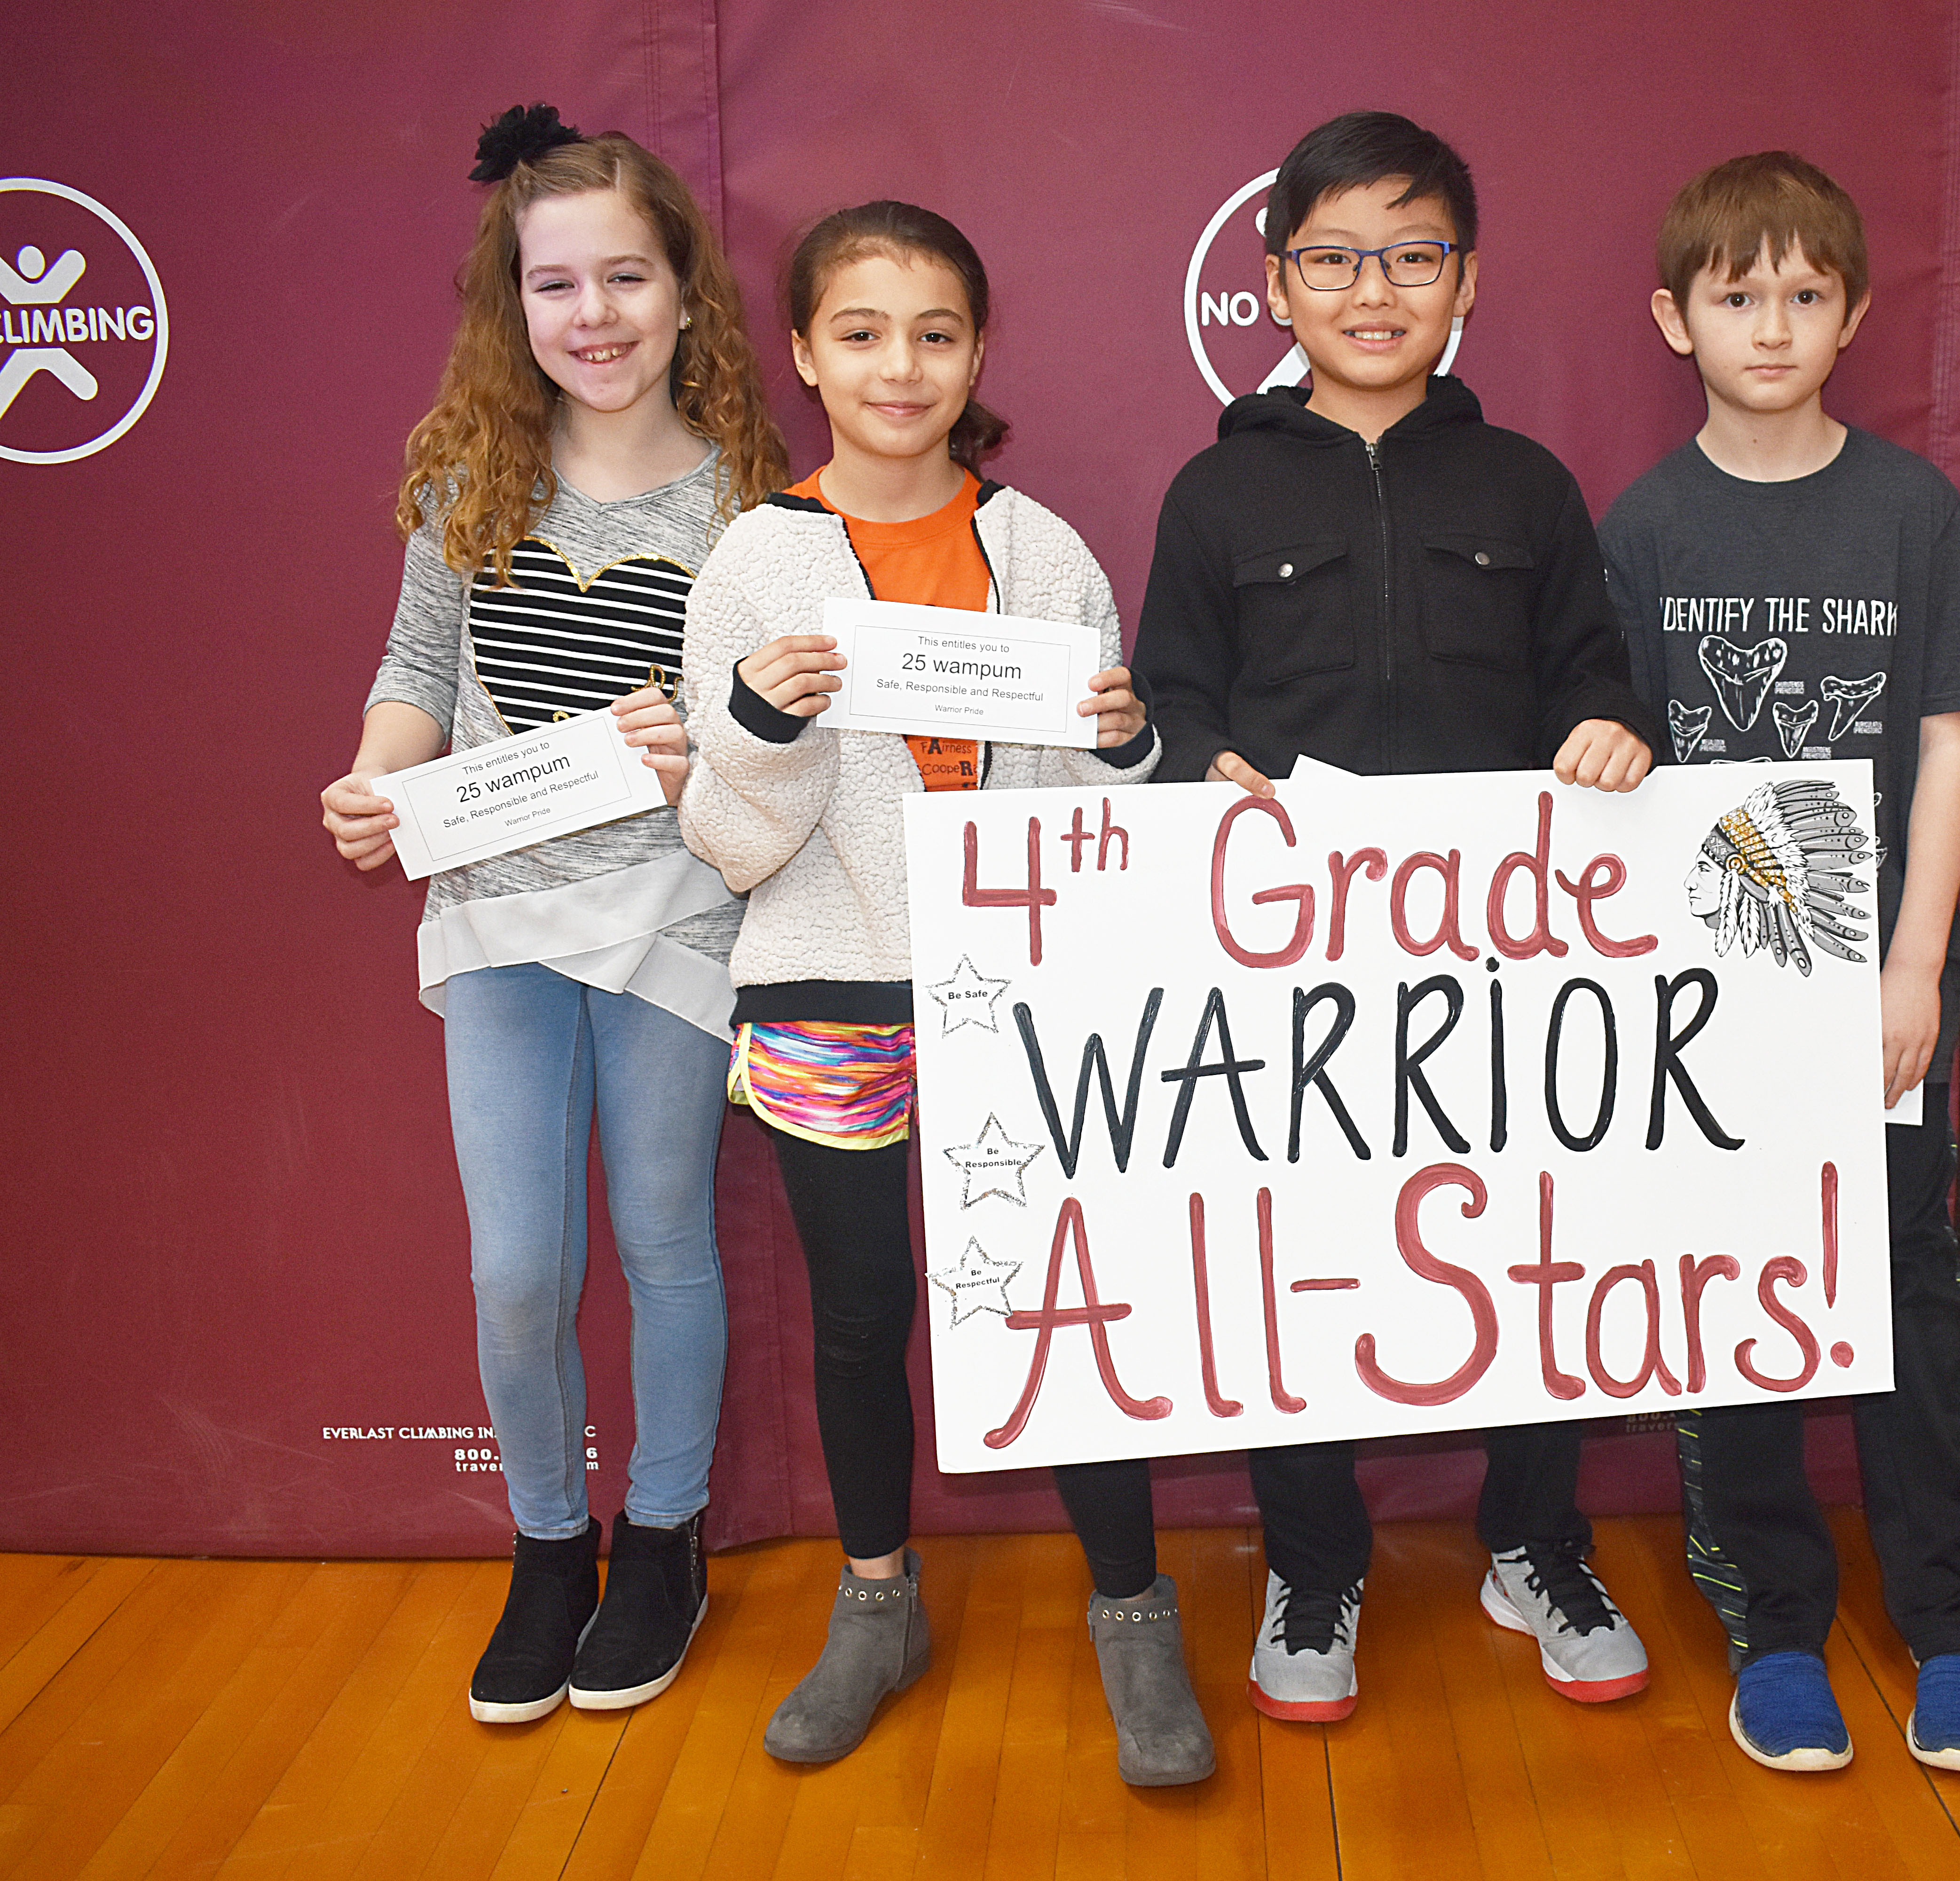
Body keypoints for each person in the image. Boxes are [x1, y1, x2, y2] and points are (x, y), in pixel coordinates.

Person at [1131, 111, 1664, 1724]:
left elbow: (1593, 672)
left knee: (1527, 1243)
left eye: (1414, 256)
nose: (1378, 290)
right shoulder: (1212, 498)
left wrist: (1613, 732)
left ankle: (1535, 1538)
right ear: (1278, 285)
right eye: (1338, 258)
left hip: (1507, 964)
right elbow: (1168, 700)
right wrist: (1191, 765)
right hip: (1288, 966)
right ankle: (1316, 1556)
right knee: (1304, 1250)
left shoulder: (1529, 481)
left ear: (1465, 283)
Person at [677, 200, 1212, 1786]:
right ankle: (875, 1602)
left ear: (977, 351)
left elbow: (1102, 805)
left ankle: (1132, 1608)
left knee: (1065, 1304)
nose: (897, 366)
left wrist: (1127, 745)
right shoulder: (760, 556)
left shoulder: (1041, 551)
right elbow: (724, 839)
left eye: (932, 333)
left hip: (1028, 995)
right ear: (803, 355)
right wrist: (762, 731)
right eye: (860, 332)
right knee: (860, 1319)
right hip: (828, 985)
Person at [318, 104, 790, 1723]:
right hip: (499, 918)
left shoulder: (751, 498)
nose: (593, 318)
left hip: (672, 916)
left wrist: (705, 739)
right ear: (509, 305)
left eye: (628, 279)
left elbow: (783, 729)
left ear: (686, 295)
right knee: (518, 1269)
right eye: (554, 285)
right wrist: (378, 780)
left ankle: (662, 1538)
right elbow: (412, 678)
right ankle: (545, 1545)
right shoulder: (471, 474)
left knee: (664, 1239)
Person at [1597, 150, 1960, 1774]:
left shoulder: (1909, 507)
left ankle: (1958, 1629)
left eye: (1802, 294)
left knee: (1909, 1298)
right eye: (1735, 295)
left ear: (1848, 313)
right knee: (1739, 1306)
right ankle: (1776, 1621)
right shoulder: (1643, 526)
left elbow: (1948, 744)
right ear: (1675, 316)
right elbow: (1622, 755)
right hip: (1714, 1002)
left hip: (1878, 993)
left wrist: (1913, 970)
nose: (1769, 324)